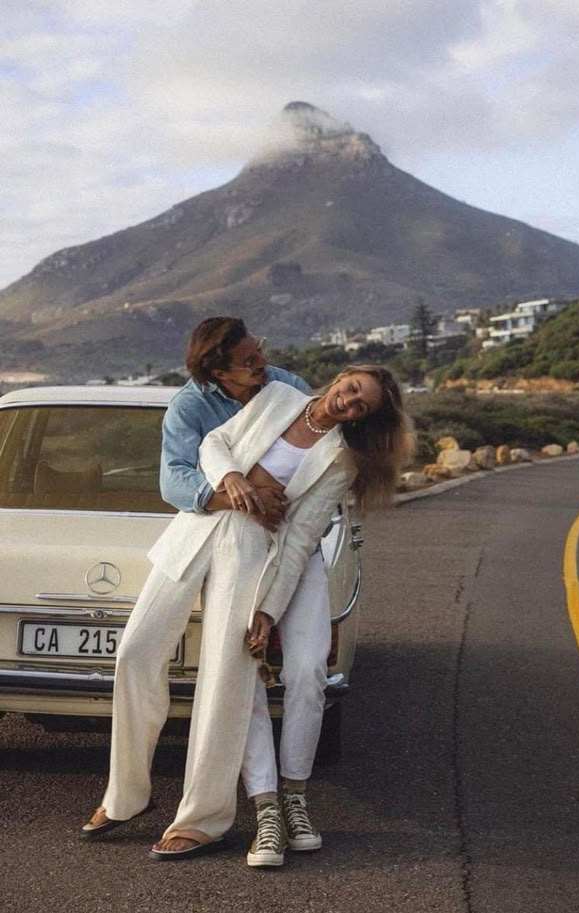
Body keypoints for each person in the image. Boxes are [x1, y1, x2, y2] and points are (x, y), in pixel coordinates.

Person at [81, 364, 412, 866]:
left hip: (250, 551)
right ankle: (126, 795)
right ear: (341, 376)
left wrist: (270, 608)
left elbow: (300, 537)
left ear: (365, 416)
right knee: (135, 652)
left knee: (223, 682)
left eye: (361, 405)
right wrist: (234, 482)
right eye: (351, 389)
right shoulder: (278, 396)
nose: (348, 402)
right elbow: (214, 443)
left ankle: (202, 820)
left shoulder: (341, 459)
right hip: (195, 532)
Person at [158, 316, 334, 852]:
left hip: (295, 553)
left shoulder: (285, 389)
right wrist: (238, 490)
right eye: (249, 360)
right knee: (244, 675)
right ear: (217, 369)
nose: (262, 365)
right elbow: (190, 465)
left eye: (260, 352)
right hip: (233, 551)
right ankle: (266, 808)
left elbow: (313, 506)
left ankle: (296, 796)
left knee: (307, 672)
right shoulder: (191, 406)